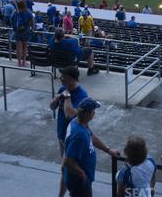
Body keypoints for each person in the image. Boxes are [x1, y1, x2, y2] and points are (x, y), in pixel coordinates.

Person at [63, 98, 119, 197]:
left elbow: (91, 136)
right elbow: (68, 161)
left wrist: (108, 150)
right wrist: (82, 174)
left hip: (81, 178)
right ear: (88, 114)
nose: (94, 113)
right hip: (79, 181)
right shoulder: (79, 135)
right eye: (94, 111)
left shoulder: (78, 122)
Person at [50, 66, 89, 197]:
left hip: (73, 138)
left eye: (63, 77)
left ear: (71, 80)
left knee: (67, 168)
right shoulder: (63, 89)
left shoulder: (82, 95)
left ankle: (74, 192)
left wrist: (66, 97)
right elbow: (52, 107)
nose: (60, 79)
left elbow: (70, 114)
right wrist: (56, 100)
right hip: (62, 135)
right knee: (66, 168)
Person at [12, 0, 34, 67]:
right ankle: (24, 62)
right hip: (25, 31)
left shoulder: (15, 11)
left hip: (17, 31)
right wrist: (32, 28)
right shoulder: (28, 11)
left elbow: (11, 19)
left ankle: (19, 62)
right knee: (25, 47)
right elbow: (32, 19)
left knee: (18, 48)